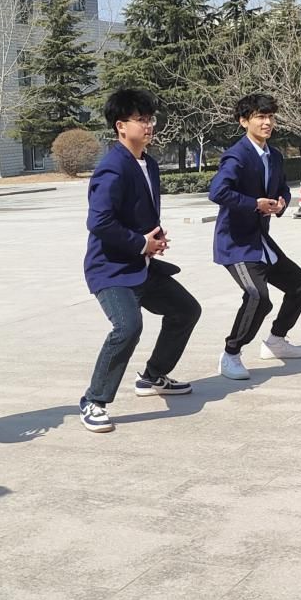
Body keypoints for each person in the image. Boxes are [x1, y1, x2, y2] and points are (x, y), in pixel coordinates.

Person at [79, 88, 201, 433]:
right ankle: (94, 401)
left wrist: (153, 240)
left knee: (186, 310)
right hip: (111, 269)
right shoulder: (112, 168)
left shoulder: (148, 163)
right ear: (120, 126)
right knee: (128, 326)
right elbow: (99, 222)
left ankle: (152, 376)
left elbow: (138, 215)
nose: (148, 126)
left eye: (150, 119)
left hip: (141, 266)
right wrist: (140, 243)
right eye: (140, 120)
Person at [208, 93, 301, 380]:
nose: (267, 123)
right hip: (236, 243)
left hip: (260, 240)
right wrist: (254, 203)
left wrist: (281, 202)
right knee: (258, 297)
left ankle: (276, 341)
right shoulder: (237, 155)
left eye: (270, 117)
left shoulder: (274, 155)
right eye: (260, 117)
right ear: (244, 122)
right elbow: (218, 192)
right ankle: (230, 354)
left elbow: (282, 188)